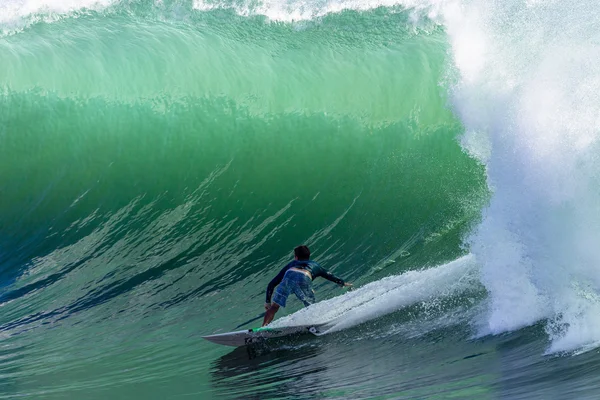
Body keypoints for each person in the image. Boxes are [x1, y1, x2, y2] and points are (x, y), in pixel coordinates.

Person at [262, 245, 352, 326]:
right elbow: (329, 275)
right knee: (311, 307)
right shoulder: (315, 265)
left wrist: (267, 301)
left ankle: (263, 327)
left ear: (296, 257)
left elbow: (272, 283)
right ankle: (314, 324)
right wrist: (342, 282)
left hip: (289, 275)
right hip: (304, 276)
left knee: (274, 307)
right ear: (309, 256)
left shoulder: (292, 264)